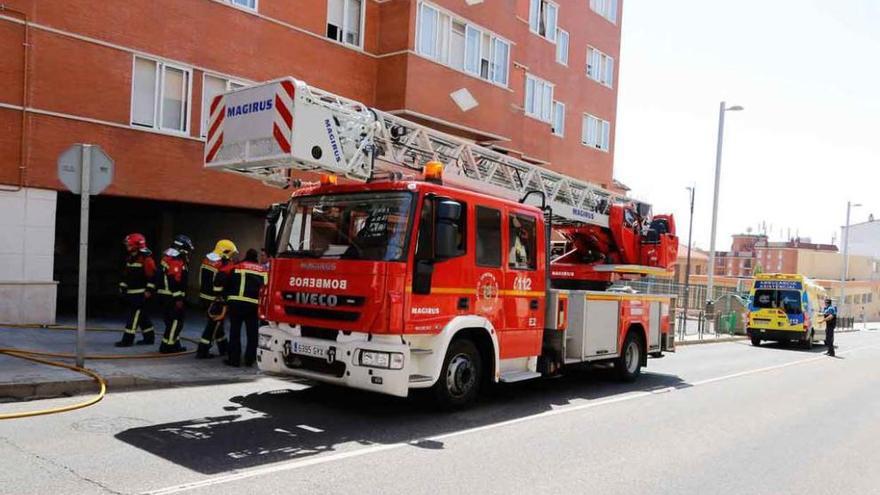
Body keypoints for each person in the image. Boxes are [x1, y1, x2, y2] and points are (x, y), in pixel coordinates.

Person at [223, 248, 267, 367]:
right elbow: (266, 288)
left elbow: (227, 284)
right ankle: (249, 360)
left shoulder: (238, 267)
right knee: (252, 334)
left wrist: (226, 299)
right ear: (256, 258)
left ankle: (234, 360)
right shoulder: (262, 270)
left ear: (246, 256)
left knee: (235, 332)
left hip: (236, 304)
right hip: (253, 306)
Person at [196, 240, 238, 359]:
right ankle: (203, 350)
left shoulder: (207, 259)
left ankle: (224, 348)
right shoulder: (222, 264)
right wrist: (222, 299)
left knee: (218, 325)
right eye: (232, 253)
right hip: (215, 299)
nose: (232, 256)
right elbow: (221, 283)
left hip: (204, 296)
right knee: (212, 326)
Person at [115, 233, 157, 347]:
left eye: (129, 244)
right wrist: (123, 286)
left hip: (141, 294)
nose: (127, 246)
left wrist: (148, 291)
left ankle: (127, 340)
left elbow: (152, 277)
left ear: (136, 245)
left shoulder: (146, 259)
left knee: (133, 317)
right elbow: (126, 275)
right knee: (142, 316)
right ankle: (149, 338)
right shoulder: (130, 258)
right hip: (132, 293)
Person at [156, 234, 193, 354]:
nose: (188, 253)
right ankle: (167, 346)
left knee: (170, 322)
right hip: (172, 297)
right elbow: (174, 280)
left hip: (165, 295)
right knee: (176, 322)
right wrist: (178, 298)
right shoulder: (175, 260)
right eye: (187, 249)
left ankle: (175, 344)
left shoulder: (167, 257)